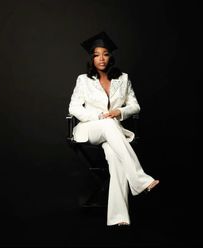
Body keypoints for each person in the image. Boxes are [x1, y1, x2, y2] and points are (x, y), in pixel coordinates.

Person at [68, 31, 159, 226]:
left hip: (113, 132)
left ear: (111, 57)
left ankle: (119, 217)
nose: (101, 58)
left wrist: (120, 111)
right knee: (108, 124)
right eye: (96, 55)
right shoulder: (83, 80)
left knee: (117, 162)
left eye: (105, 54)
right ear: (92, 58)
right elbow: (73, 107)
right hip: (90, 128)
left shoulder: (123, 79)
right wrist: (98, 116)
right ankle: (140, 180)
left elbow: (135, 106)